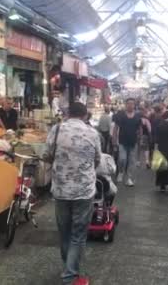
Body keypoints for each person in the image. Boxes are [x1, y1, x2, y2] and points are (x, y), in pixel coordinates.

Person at [44, 102, 101, 285]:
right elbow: (97, 159)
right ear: (85, 115)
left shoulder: (57, 129)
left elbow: (46, 155)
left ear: (68, 114)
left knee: (65, 231)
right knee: (78, 234)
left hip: (61, 189)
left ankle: (69, 268)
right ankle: (70, 276)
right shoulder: (93, 133)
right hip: (84, 191)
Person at [112, 98, 141, 187]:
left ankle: (129, 178)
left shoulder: (137, 116)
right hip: (122, 142)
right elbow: (116, 128)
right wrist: (114, 140)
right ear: (125, 104)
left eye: (132, 104)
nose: (130, 105)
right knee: (122, 159)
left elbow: (139, 129)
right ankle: (120, 172)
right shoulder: (120, 115)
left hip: (133, 142)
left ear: (134, 105)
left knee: (131, 161)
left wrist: (140, 138)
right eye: (128, 103)